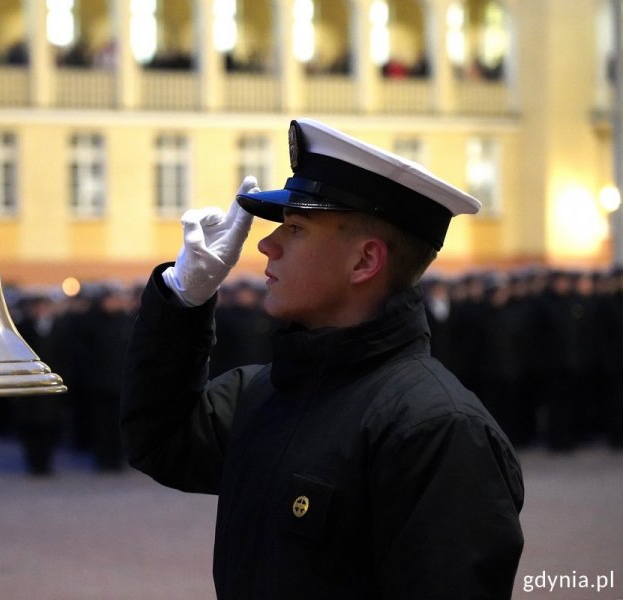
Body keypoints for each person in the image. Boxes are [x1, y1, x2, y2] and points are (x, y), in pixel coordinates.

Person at [120, 118, 524, 599]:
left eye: (295, 228)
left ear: (364, 262)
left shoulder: (435, 428)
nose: (267, 245)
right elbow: (160, 441)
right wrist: (183, 300)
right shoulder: (266, 392)